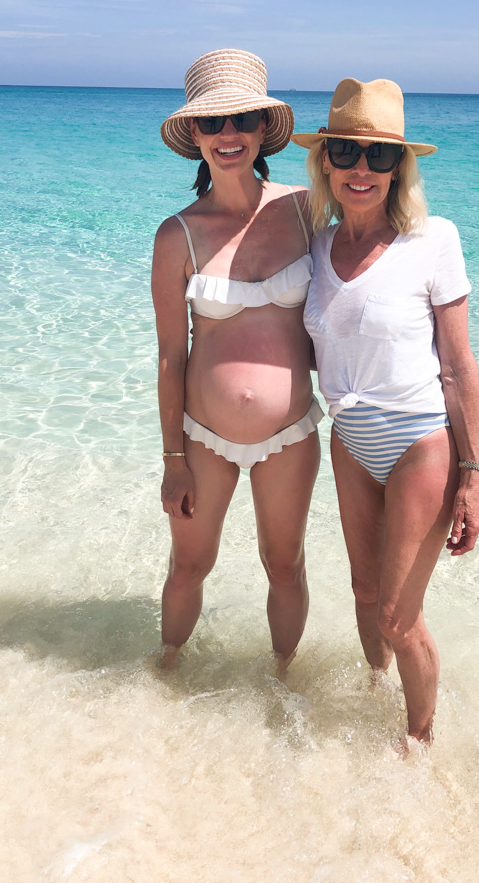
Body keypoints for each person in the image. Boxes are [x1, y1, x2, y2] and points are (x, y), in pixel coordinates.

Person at [291, 78, 479, 744]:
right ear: (325, 163)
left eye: (378, 156)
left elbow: (458, 367)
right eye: (345, 152)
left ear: (401, 167)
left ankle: (419, 746)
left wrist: (472, 476)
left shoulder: (433, 240)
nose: (360, 169)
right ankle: (376, 699)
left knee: (401, 617)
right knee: (365, 597)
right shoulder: (314, 242)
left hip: (418, 444)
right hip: (350, 441)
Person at [152, 49, 321, 669]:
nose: (228, 135)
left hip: (291, 432)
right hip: (202, 437)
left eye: (242, 119)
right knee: (189, 564)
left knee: (285, 562)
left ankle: (284, 684)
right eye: (212, 123)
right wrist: (173, 458)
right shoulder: (178, 234)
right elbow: (172, 356)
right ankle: (162, 675)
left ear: (261, 131)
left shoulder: (306, 209)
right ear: (194, 135)